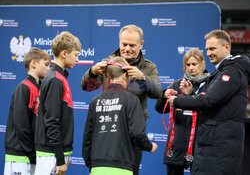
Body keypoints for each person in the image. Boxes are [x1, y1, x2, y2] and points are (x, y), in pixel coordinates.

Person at [81, 24, 162, 174]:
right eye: (124, 44)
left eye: (132, 45)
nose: (127, 48)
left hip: (134, 130)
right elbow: (87, 87)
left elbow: (157, 93)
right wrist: (92, 72)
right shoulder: (107, 63)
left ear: (141, 45)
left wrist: (142, 78)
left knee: (131, 169)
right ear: (119, 42)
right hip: (107, 126)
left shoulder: (148, 67)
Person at [168, 30, 248, 174]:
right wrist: (191, 94)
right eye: (207, 49)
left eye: (213, 48)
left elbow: (209, 100)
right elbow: (213, 103)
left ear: (227, 47)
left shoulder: (231, 72)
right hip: (214, 146)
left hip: (220, 148)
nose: (209, 52)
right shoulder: (221, 71)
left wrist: (178, 100)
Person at [155, 48, 210, 175]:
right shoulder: (176, 85)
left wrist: (191, 95)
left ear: (202, 63)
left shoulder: (211, 85)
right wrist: (164, 96)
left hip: (200, 143)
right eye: (188, 64)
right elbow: (159, 109)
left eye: (194, 64)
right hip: (176, 143)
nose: (190, 68)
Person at [34, 31, 81, 175]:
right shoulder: (55, 79)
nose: (77, 60)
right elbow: (51, 121)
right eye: (76, 55)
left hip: (53, 153)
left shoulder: (59, 77)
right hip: (51, 154)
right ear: (64, 53)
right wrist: (60, 159)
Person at [4, 48, 51, 175]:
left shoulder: (42, 89)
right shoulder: (24, 88)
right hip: (19, 155)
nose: (48, 68)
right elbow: (21, 124)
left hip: (34, 155)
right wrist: (31, 152)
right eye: (46, 64)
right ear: (34, 63)